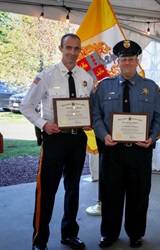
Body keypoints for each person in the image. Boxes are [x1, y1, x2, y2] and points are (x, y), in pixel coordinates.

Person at [20, 33, 95, 250]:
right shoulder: (47, 76)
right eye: (68, 48)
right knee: (47, 190)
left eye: (76, 49)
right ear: (60, 48)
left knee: (73, 189)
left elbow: (88, 106)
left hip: (77, 140)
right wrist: (43, 124)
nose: (72, 52)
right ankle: (39, 239)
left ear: (80, 51)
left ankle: (69, 234)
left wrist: (87, 120)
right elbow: (26, 106)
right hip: (54, 139)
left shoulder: (86, 78)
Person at [91, 39, 160, 248]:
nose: (127, 63)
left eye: (131, 59)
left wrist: (153, 137)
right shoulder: (104, 87)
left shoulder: (150, 87)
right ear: (117, 60)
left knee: (139, 194)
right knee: (111, 193)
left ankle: (135, 233)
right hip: (112, 151)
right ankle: (109, 233)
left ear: (137, 60)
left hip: (140, 152)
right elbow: (96, 114)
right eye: (123, 59)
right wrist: (103, 134)